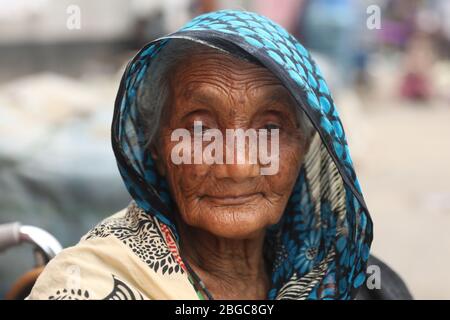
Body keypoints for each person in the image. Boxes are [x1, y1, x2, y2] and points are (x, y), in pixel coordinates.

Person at [27, 10, 374, 300]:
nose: (236, 167)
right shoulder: (84, 284)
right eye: (199, 130)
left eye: (270, 129)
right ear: (157, 148)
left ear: (305, 145)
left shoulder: (338, 275)